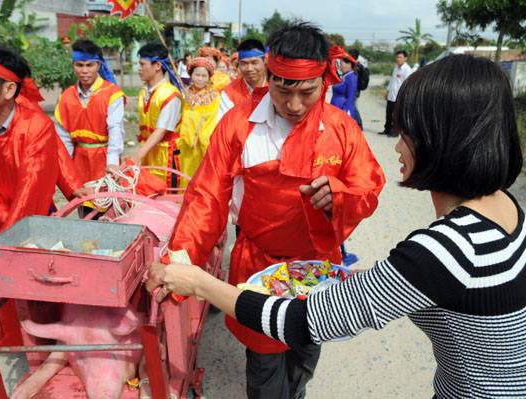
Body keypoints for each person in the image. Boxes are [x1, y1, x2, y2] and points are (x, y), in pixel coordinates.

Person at [150, 54, 526, 398]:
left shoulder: (442, 251)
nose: (396, 146)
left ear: (442, 140)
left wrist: (195, 280)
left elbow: (298, 321)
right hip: (269, 263)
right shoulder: (508, 210)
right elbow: (207, 195)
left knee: (299, 360)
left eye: (407, 131)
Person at [155, 22, 386, 399]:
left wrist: (339, 197)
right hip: (257, 268)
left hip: (317, 271)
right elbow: (207, 196)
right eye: (283, 90)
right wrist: (178, 261)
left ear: (324, 81)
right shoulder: (238, 125)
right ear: (269, 73)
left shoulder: (341, 129)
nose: (295, 106)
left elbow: (369, 186)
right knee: (264, 368)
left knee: (304, 356)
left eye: (307, 92)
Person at [0, 43, 83, 242]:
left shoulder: (36, 126)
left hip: (32, 228)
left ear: (9, 89)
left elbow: (31, 193)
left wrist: (7, 241)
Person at [54, 40, 126, 185]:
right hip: (79, 161)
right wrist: (64, 167)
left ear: (98, 65)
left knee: (106, 203)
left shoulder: (112, 93)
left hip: (104, 159)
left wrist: (112, 162)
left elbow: (115, 128)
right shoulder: (66, 97)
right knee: (83, 203)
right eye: (79, 65)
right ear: (73, 65)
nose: (84, 71)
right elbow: (63, 137)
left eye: (89, 65)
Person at [135, 43, 183, 188]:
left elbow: (161, 131)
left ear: (157, 66)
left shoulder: (170, 95)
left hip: (166, 156)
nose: (139, 69)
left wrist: (137, 156)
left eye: (143, 64)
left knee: (165, 201)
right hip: (148, 152)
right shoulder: (144, 91)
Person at [178, 57, 220, 186]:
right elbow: (180, 117)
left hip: (204, 144)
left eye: (204, 75)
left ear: (209, 77)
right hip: (187, 144)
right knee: (186, 176)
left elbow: (212, 118)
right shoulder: (185, 94)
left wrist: (194, 117)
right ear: (191, 75)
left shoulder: (214, 95)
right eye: (197, 75)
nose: (200, 78)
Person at [217, 39, 267, 121]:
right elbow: (224, 123)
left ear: (264, 61)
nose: (249, 69)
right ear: (238, 64)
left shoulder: (276, 88)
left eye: (254, 63)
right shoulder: (229, 92)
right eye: (244, 63)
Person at [380, 50, 412, 137]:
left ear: (405, 58)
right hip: (391, 94)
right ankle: (387, 129)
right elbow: (392, 81)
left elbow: (408, 84)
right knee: (389, 113)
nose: (398, 59)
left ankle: (395, 132)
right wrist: (387, 92)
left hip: (399, 96)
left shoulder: (407, 70)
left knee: (396, 115)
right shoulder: (396, 67)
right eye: (397, 57)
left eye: (400, 57)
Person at [329, 48, 358, 121]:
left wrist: (346, 111)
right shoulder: (344, 76)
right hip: (335, 108)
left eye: (341, 64)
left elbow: (351, 97)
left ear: (349, 64)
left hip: (342, 109)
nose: (340, 67)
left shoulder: (351, 77)